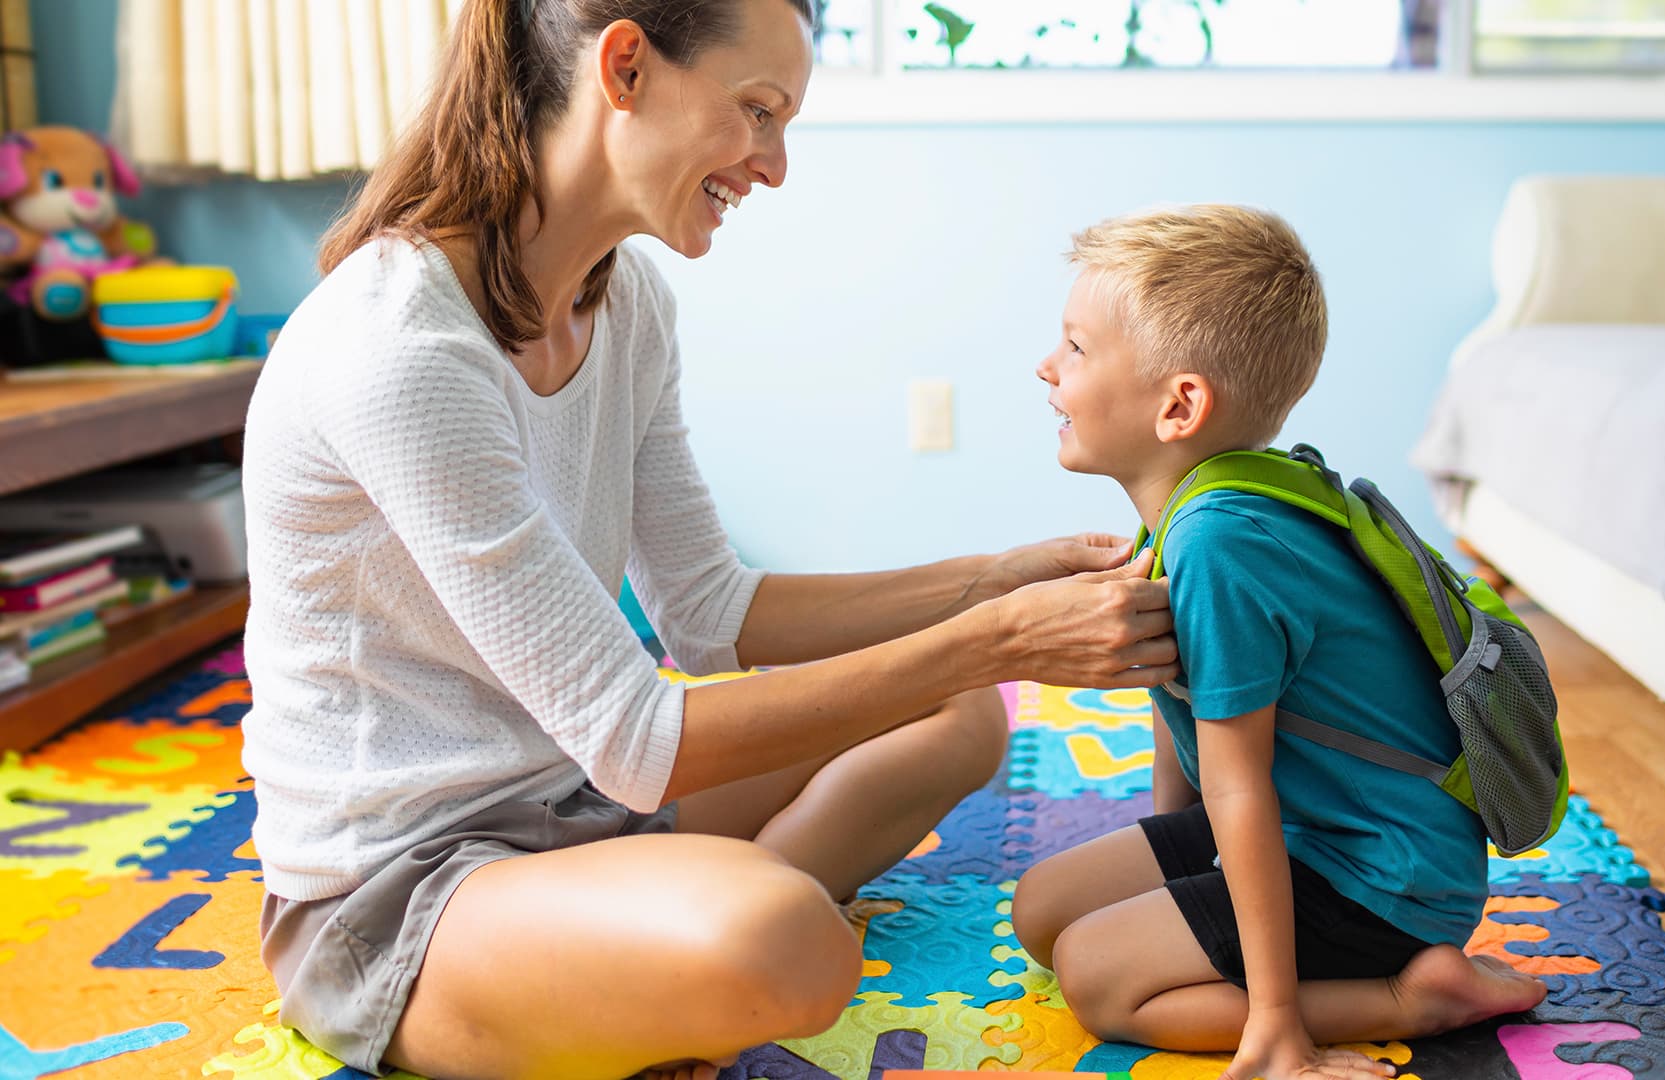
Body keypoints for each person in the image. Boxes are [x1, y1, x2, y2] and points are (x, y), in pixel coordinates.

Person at [239, 2, 1179, 1077]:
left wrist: (994, 582)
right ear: (626, 68)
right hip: (403, 893)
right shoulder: (400, 346)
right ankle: (678, 959)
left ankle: (654, 975)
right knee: (789, 943)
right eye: (758, 111)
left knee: (958, 715)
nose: (773, 166)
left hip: (578, 804)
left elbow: (710, 613)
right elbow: (637, 739)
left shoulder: (627, 301)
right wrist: (1002, 638)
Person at [1009, 205, 1550, 1080]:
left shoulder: (1221, 544)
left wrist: (1274, 1024)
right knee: (1042, 910)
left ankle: (1412, 995)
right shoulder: (1202, 501)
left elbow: (1239, 784)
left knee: (1096, 978)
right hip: (1318, 826)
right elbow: (1180, 703)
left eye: (1075, 347)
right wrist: (1177, 868)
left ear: (1179, 406)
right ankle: (1304, 971)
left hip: (1381, 876)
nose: (1047, 365)